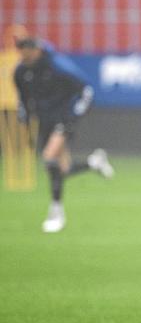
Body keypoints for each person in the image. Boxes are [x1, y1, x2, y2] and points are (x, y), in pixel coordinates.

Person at [14, 37, 114, 233]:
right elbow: (24, 99)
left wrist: (76, 113)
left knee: (49, 157)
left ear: (36, 50)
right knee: (63, 169)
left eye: (27, 50)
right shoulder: (20, 72)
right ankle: (94, 162)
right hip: (44, 121)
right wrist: (25, 119)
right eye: (21, 51)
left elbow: (86, 89)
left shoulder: (57, 66)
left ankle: (56, 212)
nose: (23, 55)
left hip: (64, 118)